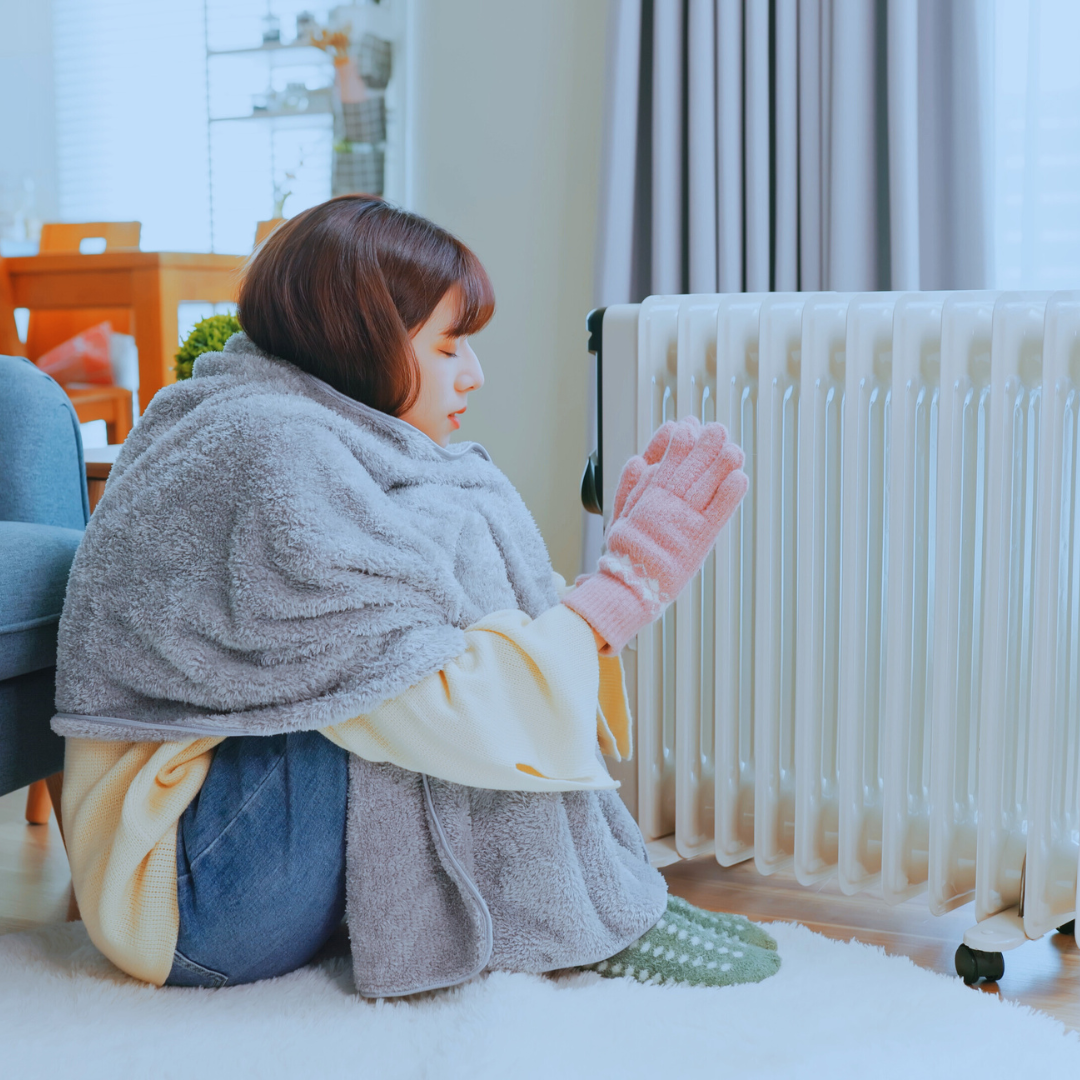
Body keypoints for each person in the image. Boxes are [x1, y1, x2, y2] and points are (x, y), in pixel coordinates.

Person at [53, 195, 781, 994]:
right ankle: (567, 921)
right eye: (447, 346)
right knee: (404, 680)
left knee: (421, 641)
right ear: (359, 342)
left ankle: (593, 893)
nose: (473, 373)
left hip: (240, 854)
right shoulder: (270, 450)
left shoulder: (321, 432)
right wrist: (624, 587)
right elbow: (433, 701)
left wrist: (597, 598)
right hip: (189, 899)